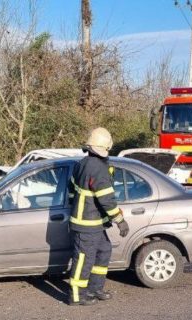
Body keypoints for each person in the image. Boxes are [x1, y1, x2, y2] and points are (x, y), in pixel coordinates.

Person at [68, 127, 130, 306]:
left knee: (103, 251)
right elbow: (107, 200)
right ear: (106, 148)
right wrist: (120, 220)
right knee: (83, 259)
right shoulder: (98, 168)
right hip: (88, 223)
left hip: (93, 223)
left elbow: (72, 192)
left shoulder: (82, 163)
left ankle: (94, 288)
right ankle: (77, 296)